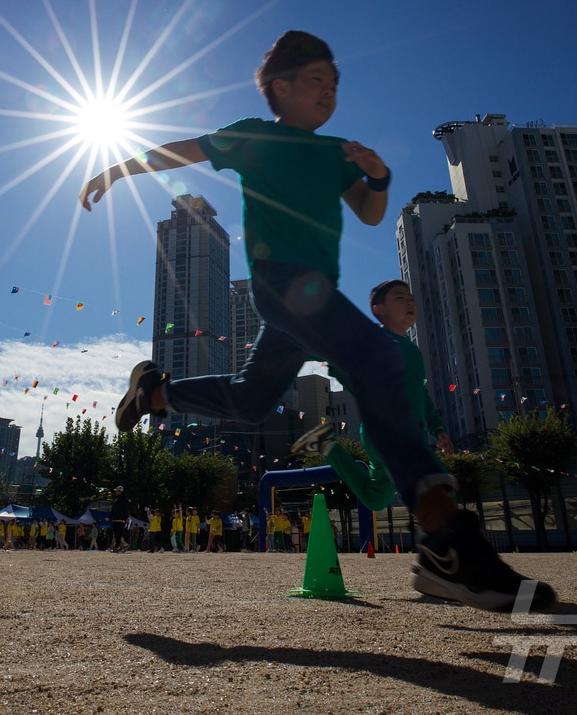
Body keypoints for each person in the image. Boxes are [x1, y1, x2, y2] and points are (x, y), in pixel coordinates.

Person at [81, 30, 552, 611]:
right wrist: (117, 170)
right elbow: (183, 152)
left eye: (334, 85)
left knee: (252, 399)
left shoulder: (333, 152)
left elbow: (371, 212)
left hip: (314, 294)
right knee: (376, 357)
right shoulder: (255, 137)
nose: (329, 93)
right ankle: (448, 542)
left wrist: (377, 176)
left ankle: (158, 394)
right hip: (282, 284)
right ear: (280, 88)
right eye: (316, 82)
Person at [292, 280, 454, 516]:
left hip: (408, 438)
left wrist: (437, 428)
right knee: (439, 487)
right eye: (400, 297)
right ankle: (450, 543)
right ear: (379, 310)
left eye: (411, 298)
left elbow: (422, 394)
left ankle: (327, 446)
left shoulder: (412, 352)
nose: (409, 302)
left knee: (375, 497)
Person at [110, 486, 132, 553]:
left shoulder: (124, 500)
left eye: (117, 491)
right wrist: (109, 516)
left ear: (120, 491)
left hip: (121, 519)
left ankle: (118, 546)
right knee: (116, 534)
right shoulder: (116, 500)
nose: (116, 492)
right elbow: (113, 510)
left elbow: (126, 509)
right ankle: (122, 545)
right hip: (115, 519)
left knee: (119, 534)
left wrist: (127, 517)